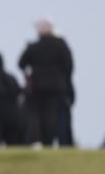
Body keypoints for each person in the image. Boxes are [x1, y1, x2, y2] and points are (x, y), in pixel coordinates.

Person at [18, 17, 73, 148]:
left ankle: (37, 141)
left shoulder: (33, 46)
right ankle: (48, 142)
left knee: (34, 113)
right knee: (51, 114)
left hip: (37, 85)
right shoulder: (61, 46)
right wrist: (63, 78)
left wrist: (30, 72)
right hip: (56, 85)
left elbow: (21, 63)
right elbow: (69, 66)